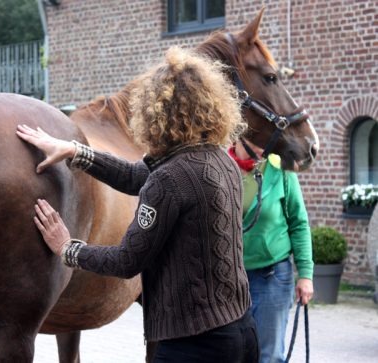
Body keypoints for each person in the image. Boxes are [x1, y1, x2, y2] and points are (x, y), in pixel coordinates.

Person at [17, 46, 259, 362]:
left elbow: (127, 261)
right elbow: (136, 175)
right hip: (242, 331)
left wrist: (67, 248)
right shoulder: (219, 161)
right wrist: (76, 151)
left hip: (192, 345)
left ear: (154, 114)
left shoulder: (170, 178)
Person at [228, 139, 314, 363]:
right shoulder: (221, 167)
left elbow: (299, 223)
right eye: (259, 134)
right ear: (240, 135)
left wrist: (305, 275)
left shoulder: (279, 168)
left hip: (272, 277)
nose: (266, 141)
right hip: (228, 280)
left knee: (268, 355)